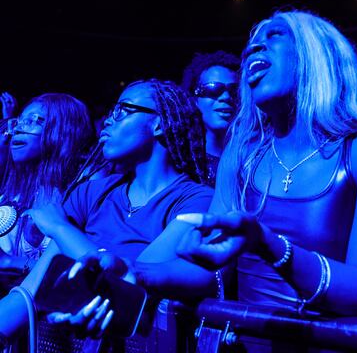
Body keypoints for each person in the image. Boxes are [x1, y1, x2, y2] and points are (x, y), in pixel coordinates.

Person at [174, 9, 357, 320]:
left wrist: (267, 244)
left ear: (317, 53)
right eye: (252, 42)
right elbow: (210, 270)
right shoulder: (242, 153)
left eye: (275, 35)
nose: (254, 46)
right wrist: (131, 276)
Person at [0, 79, 217, 344]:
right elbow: (31, 291)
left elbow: (128, 284)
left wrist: (60, 228)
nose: (108, 122)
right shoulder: (90, 193)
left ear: (158, 124)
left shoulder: (197, 199)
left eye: (122, 111)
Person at [0, 93, 95, 277]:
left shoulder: (83, 200)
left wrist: (10, 261)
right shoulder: (8, 196)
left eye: (34, 121)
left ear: (63, 133)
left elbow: (86, 273)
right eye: (19, 121)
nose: (19, 129)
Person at [181, 50, 240, 186]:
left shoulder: (251, 156)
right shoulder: (182, 160)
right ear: (194, 99)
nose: (226, 97)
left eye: (234, 91)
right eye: (213, 89)